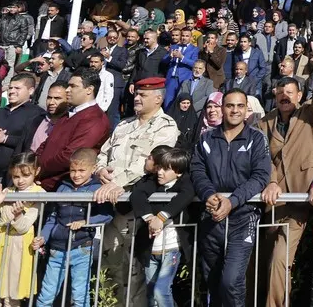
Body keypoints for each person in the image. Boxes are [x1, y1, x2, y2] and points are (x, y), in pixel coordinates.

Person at [257, 40, 313, 307]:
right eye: (280, 92)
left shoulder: (309, 117)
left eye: (290, 92)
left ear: (300, 95)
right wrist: (269, 182)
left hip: (299, 202)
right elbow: (260, 157)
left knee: (279, 260)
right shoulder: (264, 121)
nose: (285, 96)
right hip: (269, 203)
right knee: (260, 264)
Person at [93, 77, 180, 306]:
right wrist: (100, 170)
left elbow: (150, 163)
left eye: (143, 95)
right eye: (137, 93)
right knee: (111, 268)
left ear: (158, 99)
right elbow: (103, 153)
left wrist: (118, 182)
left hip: (139, 211)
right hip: (111, 208)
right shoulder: (123, 125)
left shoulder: (166, 126)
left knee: (135, 272)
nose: (137, 98)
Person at [190, 88, 271, 307]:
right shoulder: (206, 139)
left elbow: (261, 176)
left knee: (231, 282)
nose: (235, 110)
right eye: (230, 105)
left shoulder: (257, 138)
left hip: (243, 218)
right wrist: (209, 194)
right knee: (214, 283)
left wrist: (233, 200)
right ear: (222, 108)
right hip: (211, 218)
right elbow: (197, 171)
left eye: (240, 106)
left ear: (247, 111)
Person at [32, 148, 114, 307]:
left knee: (79, 295)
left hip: (82, 248)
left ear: (93, 168)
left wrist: (85, 222)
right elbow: (53, 217)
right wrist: (43, 236)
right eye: (73, 170)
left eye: (82, 170)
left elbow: (107, 215)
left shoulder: (97, 189)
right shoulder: (62, 187)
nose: (76, 175)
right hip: (57, 248)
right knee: (46, 294)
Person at [0, 152, 45, 306]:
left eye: (26, 175)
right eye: (16, 176)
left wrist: (18, 215)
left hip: (20, 245)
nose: (20, 181)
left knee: (12, 294)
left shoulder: (39, 194)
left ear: (36, 171)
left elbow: (24, 227)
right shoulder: (7, 191)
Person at [129, 147, 195, 307]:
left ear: (178, 172)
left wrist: (162, 217)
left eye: (166, 169)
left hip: (171, 249)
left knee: (161, 289)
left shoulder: (185, 181)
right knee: (151, 292)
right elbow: (136, 195)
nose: (160, 172)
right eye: (159, 167)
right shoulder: (152, 181)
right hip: (151, 249)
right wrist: (149, 217)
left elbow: (186, 195)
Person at [37, 71, 111, 191]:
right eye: (68, 85)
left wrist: (38, 171)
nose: (67, 90)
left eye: (73, 86)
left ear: (89, 89)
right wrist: (33, 167)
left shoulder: (95, 118)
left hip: (62, 187)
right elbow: (46, 144)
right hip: (42, 182)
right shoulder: (67, 114)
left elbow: (70, 156)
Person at [0, 73, 45, 180]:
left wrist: (5, 139)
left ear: (30, 91)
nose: (11, 91)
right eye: (10, 88)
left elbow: (34, 143)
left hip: (14, 176)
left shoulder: (37, 114)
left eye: (17, 88)